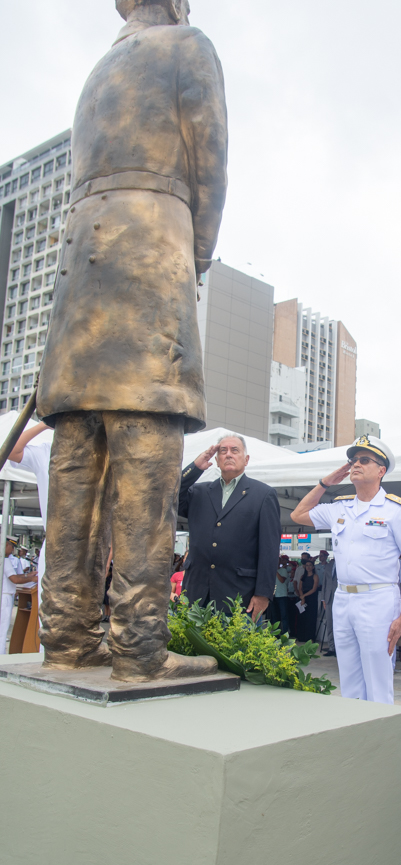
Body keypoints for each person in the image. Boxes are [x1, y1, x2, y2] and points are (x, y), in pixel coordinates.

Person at [33, 0, 227, 681]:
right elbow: (209, 165)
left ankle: (65, 638)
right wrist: (195, 255)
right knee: (146, 445)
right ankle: (139, 649)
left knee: (76, 457)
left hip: (82, 266)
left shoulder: (98, 71)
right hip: (149, 245)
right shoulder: (187, 44)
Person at [291, 434, 401, 704]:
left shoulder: (396, 510)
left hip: (378, 599)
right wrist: (325, 483)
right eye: (353, 460)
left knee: (377, 680)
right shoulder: (340, 507)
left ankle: (381, 729)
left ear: (381, 471)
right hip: (343, 599)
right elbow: (298, 515)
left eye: (364, 460)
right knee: (349, 679)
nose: (356, 464)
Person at [179, 435, 281, 620]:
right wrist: (195, 467)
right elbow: (169, 496)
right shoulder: (198, 493)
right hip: (196, 594)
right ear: (216, 460)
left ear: (246, 459)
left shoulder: (263, 495)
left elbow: (269, 549)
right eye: (222, 451)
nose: (228, 454)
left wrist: (263, 594)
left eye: (235, 450)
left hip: (239, 596)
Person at [9, 421, 52, 602]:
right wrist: (45, 424)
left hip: (91, 544)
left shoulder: (101, 451)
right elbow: (12, 451)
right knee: (49, 606)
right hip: (55, 543)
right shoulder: (47, 451)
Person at [0, 538, 38, 653]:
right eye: (11, 547)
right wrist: (32, 579)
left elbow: (15, 576)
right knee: (2, 629)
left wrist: (27, 576)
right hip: (5, 596)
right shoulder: (5, 560)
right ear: (6, 545)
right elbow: (15, 579)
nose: (12, 550)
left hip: (4, 594)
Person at [296, 559, 319, 642]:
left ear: (313, 567)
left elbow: (314, 588)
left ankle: (310, 637)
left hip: (311, 597)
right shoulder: (303, 576)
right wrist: (302, 597)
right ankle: (301, 636)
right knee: (302, 617)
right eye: (307, 565)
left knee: (311, 618)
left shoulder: (315, 576)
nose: (308, 567)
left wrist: (304, 596)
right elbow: (300, 587)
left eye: (310, 565)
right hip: (303, 597)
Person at [320, 557, 338, 656]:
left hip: (340, 598)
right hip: (328, 598)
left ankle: (339, 648)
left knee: (339, 624)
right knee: (330, 623)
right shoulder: (329, 566)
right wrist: (323, 599)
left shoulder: (344, 564)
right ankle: (332, 647)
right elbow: (324, 583)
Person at [273, 556, 291, 636]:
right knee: (274, 616)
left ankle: (285, 634)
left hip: (282, 595)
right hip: (274, 595)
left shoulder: (283, 570)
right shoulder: (271, 571)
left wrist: (276, 571)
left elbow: (282, 580)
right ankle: (276, 634)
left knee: (284, 616)